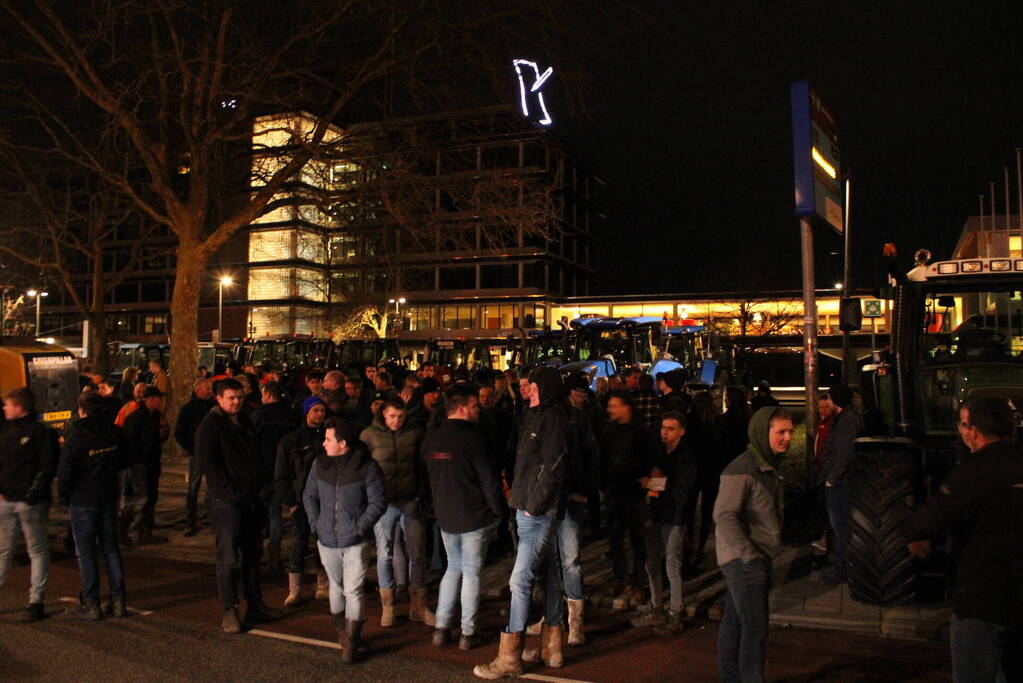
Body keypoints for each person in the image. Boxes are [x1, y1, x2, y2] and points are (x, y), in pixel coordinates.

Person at [907, 398, 1023, 683]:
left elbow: (933, 517)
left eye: (962, 424)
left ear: (972, 430)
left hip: (981, 597)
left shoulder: (974, 471)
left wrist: (917, 535)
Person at [474, 367, 568, 680]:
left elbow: (553, 467)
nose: (529, 391)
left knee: (520, 580)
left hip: (536, 512)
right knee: (549, 576)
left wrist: (531, 506)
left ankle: (509, 656)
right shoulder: (538, 415)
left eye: (534, 387)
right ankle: (551, 647)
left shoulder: (552, 419)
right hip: (531, 508)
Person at [194, 378, 283, 633]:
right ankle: (229, 610)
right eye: (231, 398)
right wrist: (228, 488)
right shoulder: (210, 426)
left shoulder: (246, 421)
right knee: (228, 558)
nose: (236, 402)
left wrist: (260, 484)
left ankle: (255, 604)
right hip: (226, 502)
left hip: (251, 498)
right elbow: (208, 463)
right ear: (219, 398)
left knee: (252, 554)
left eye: (239, 398)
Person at [714, 406, 794, 683]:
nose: (787, 438)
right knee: (755, 628)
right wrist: (749, 556)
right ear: (762, 432)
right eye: (780, 432)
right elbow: (724, 514)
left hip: (750, 558)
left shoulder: (765, 466)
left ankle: (731, 678)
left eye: (790, 432)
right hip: (745, 561)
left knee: (735, 622)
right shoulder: (743, 468)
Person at [422, 384, 503, 650]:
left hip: (446, 514)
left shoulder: (433, 439)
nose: (478, 410)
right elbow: (488, 479)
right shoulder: (473, 439)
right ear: (463, 408)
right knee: (471, 572)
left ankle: (442, 626)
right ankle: (468, 631)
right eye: (474, 406)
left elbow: (427, 476)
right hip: (473, 515)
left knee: (453, 568)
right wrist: (497, 510)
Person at [304, 417, 385, 665]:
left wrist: (359, 527)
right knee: (336, 586)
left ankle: (350, 640)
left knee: (354, 589)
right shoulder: (320, 465)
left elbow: (378, 502)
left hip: (355, 542)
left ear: (342, 443)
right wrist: (316, 523)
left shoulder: (367, 468)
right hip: (326, 539)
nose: (323, 443)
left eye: (328, 439)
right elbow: (309, 496)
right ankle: (345, 634)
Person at [58, 393, 134, 620]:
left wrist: (64, 497)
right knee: (110, 548)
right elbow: (126, 458)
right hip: (108, 496)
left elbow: (65, 472)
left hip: (83, 499)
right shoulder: (114, 433)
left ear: (82, 411)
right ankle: (119, 600)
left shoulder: (77, 438)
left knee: (86, 552)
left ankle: (92, 603)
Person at [360, 396, 433, 627]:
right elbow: (362, 468)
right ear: (384, 414)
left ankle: (418, 606)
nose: (397, 421)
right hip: (384, 504)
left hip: (410, 500)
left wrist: (420, 492)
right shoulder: (369, 436)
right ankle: (388, 606)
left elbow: (423, 464)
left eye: (400, 416)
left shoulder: (414, 434)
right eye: (392, 416)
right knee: (385, 553)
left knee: (417, 553)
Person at [631, 411, 698, 635]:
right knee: (652, 563)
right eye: (663, 428)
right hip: (657, 515)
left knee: (671, 564)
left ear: (682, 431)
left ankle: (675, 613)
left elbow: (680, 491)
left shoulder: (686, 458)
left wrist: (654, 484)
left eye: (671, 428)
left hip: (674, 517)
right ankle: (656, 607)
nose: (665, 432)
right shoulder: (659, 452)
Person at [0, 387, 59, 622]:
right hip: (7, 500)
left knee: (36, 550)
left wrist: (32, 495)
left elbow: (48, 466)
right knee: (4, 550)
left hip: (29, 503)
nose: (4, 408)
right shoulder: (7, 430)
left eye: (8, 405)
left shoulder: (40, 432)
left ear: (19, 407)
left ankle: (36, 601)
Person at [600, 391, 653, 603]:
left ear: (626, 407)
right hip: (614, 491)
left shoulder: (640, 432)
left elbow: (648, 459)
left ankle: (639, 582)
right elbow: (603, 457)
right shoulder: (608, 430)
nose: (610, 410)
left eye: (614, 406)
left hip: (633, 493)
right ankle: (621, 578)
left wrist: (644, 480)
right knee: (615, 538)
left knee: (638, 538)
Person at [274, 395, 326, 605]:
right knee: (299, 543)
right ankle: (294, 589)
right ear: (306, 413)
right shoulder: (291, 441)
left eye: (322, 410)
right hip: (300, 500)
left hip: (324, 500)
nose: (320, 414)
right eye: (316, 410)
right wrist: (291, 502)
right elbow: (282, 474)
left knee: (323, 543)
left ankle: (323, 584)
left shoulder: (328, 437)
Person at [814, 384, 863, 584]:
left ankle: (841, 570)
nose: (828, 403)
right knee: (840, 528)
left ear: (837, 401)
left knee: (840, 528)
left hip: (839, 483)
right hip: (839, 480)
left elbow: (844, 454)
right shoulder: (847, 418)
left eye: (830, 399)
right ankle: (840, 566)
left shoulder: (846, 422)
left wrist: (831, 479)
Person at [252, 381, 299, 573]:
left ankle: (257, 556)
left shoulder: (259, 416)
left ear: (268, 395)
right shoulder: (291, 416)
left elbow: (251, 443)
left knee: (260, 516)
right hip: (283, 472)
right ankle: (274, 556)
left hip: (263, 472)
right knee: (275, 516)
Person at [121, 386, 169, 545]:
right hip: (140, 464)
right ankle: (122, 527)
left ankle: (145, 531)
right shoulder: (136, 417)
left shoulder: (155, 416)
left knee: (151, 497)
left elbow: (157, 437)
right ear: (150, 399)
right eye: (158, 398)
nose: (160, 402)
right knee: (141, 498)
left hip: (152, 461)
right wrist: (136, 461)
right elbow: (129, 442)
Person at [175, 377, 215, 537]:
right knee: (193, 488)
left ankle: (212, 516)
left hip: (212, 453)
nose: (210, 391)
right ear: (198, 390)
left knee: (214, 486)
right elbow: (180, 433)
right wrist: (193, 450)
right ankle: (190, 521)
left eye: (210, 388)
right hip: (197, 454)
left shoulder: (213, 406)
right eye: (207, 388)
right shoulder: (188, 409)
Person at [685, 390, 720, 569]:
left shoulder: (690, 420)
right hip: (711, 469)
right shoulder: (717, 421)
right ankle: (700, 546)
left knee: (689, 508)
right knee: (707, 510)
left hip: (693, 469)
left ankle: (689, 544)